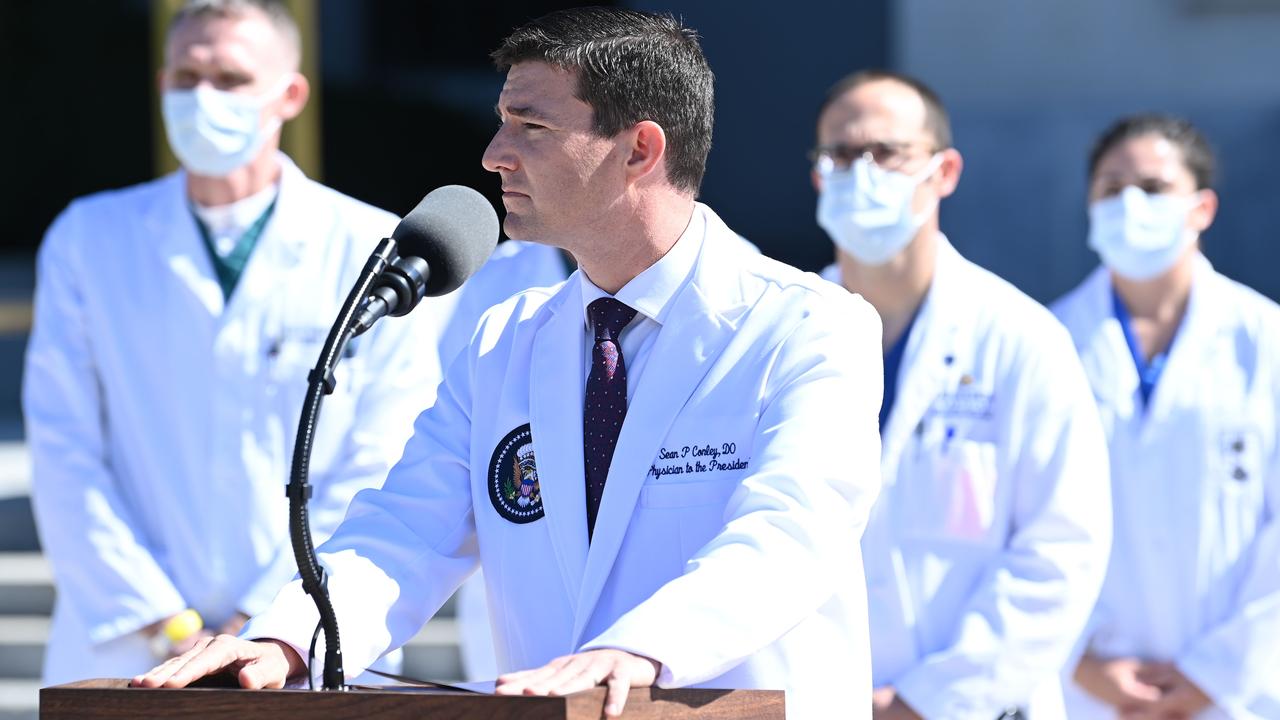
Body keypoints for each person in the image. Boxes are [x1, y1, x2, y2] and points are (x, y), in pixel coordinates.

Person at [133, 7, 885, 718]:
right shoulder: (503, 339)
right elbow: (406, 531)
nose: (494, 155)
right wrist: (287, 639)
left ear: (640, 151)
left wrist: (639, 650)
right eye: (501, 123)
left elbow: (792, 532)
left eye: (531, 126)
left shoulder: (807, 325)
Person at [23, 0, 440, 685]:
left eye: (231, 79)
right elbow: (65, 448)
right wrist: (168, 620)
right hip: (130, 639)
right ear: (160, 86)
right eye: (186, 77)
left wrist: (263, 621)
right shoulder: (88, 238)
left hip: (305, 637)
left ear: (291, 95)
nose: (203, 98)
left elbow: (383, 458)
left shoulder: (372, 249)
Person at [811, 69, 1113, 719]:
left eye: (886, 152)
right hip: (820, 696)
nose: (860, 171)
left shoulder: (1022, 337)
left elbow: (1063, 547)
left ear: (944, 171)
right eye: (839, 154)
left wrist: (928, 700)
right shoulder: (782, 328)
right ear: (817, 176)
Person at [1053, 114, 1280, 719]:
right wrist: (1079, 661)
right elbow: (1021, 522)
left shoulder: (1266, 340)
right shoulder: (1047, 342)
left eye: (1153, 189)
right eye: (1110, 188)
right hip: (1090, 693)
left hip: (1240, 693)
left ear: (1202, 208)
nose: (1130, 204)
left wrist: (1217, 673)